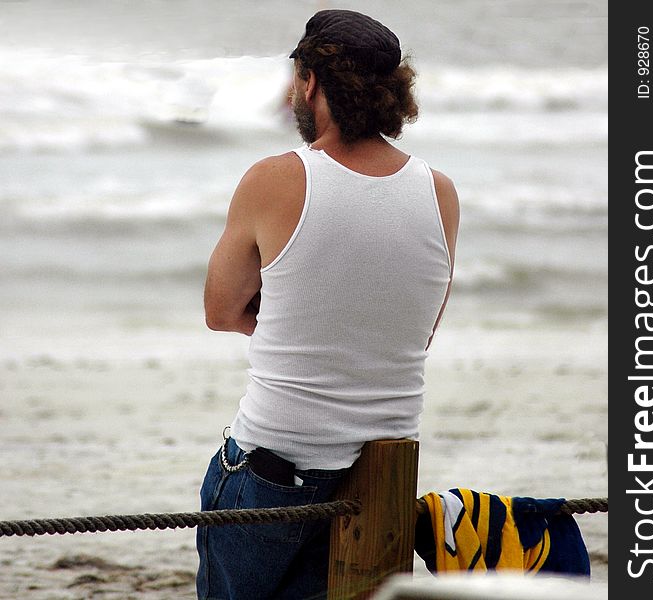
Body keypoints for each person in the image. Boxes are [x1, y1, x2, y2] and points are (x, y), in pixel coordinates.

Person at [197, 9, 459, 600]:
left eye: (296, 78)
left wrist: (294, 318)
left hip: (275, 464)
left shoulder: (275, 178)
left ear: (311, 83)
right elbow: (414, 330)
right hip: (384, 471)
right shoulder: (438, 190)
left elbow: (220, 310)